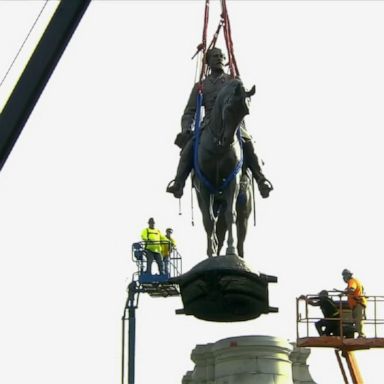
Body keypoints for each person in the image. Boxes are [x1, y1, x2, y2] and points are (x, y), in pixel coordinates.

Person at [166, 47, 273, 199]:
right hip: (208, 124)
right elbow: (189, 111)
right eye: (214, 56)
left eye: (221, 56)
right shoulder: (201, 86)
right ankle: (178, 182)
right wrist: (186, 129)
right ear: (208, 62)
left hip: (232, 123)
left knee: (249, 144)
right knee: (189, 148)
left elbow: (244, 101)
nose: (219, 58)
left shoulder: (233, 81)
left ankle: (261, 180)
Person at [341, 268, 367, 338]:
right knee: (357, 320)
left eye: (344, 276)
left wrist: (345, 292)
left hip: (358, 303)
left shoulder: (352, 281)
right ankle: (360, 335)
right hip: (357, 304)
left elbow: (352, 289)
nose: (343, 278)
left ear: (348, 276)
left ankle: (361, 335)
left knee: (358, 320)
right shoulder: (354, 281)